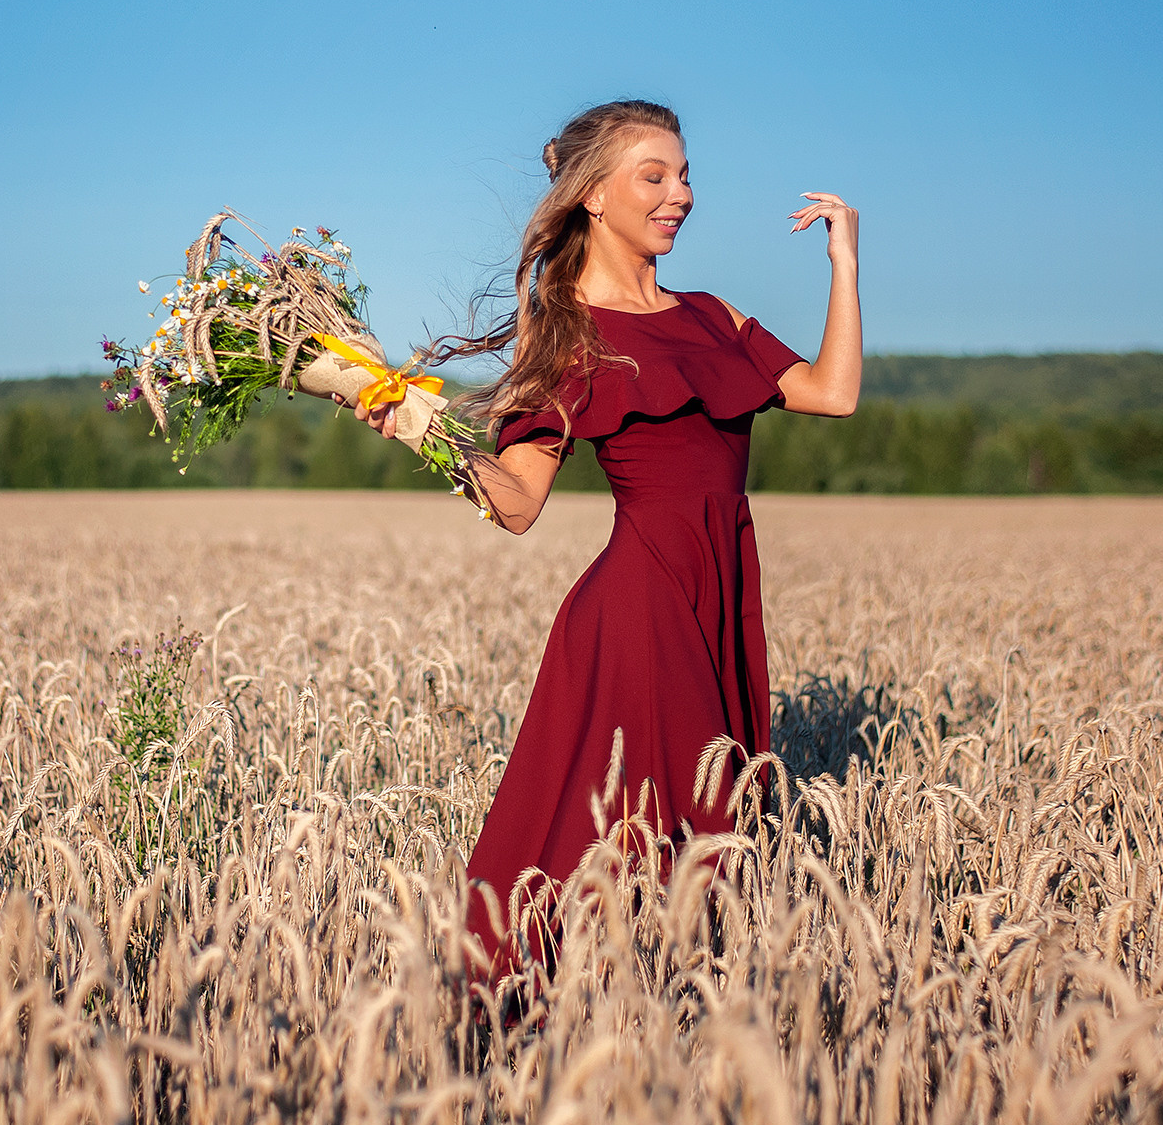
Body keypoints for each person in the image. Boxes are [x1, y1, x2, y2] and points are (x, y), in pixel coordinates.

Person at [338, 98, 861, 982]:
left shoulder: (711, 315)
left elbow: (833, 392)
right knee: (680, 839)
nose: (680, 194)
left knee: (710, 830)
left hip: (722, 591)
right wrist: (418, 428)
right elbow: (517, 503)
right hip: (640, 611)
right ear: (592, 194)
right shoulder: (565, 330)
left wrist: (844, 262)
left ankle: (671, 1039)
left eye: (685, 174)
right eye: (654, 176)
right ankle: (594, 1034)